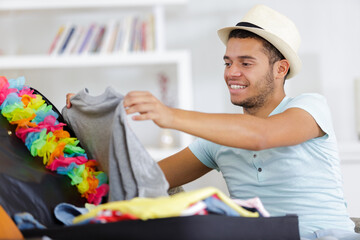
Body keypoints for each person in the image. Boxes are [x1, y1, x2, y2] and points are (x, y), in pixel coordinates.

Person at [66, 4, 360, 240]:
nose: (232, 72)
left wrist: (169, 115)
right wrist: (88, 124)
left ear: (280, 69)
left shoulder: (309, 107)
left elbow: (263, 135)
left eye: (246, 63)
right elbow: (141, 180)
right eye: (227, 62)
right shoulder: (216, 141)